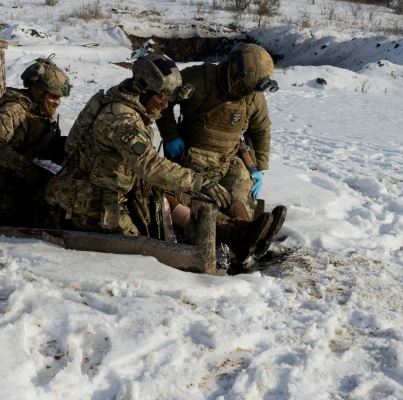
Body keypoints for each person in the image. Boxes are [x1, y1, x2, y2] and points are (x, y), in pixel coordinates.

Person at [45, 53, 275, 267]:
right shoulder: (122, 118)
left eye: (169, 99)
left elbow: (72, 145)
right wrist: (200, 182)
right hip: (91, 202)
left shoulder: (120, 99)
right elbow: (150, 165)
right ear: (143, 89)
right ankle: (234, 234)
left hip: (107, 186)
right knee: (148, 255)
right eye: (162, 97)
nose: (165, 105)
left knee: (168, 200)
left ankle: (235, 232)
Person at [155, 43, 286, 255]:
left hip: (229, 158)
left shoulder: (254, 96)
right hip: (190, 157)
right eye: (245, 86)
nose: (247, 93)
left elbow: (261, 129)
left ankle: (248, 230)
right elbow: (162, 99)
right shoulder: (198, 77)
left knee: (238, 193)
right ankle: (236, 232)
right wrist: (171, 136)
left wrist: (259, 167)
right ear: (234, 72)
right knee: (197, 202)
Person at [0, 56, 71, 227]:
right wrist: (24, 167)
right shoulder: (14, 110)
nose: (57, 102)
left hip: (32, 190)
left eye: (59, 97)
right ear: (37, 90)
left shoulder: (39, 112)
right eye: (53, 96)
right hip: (7, 194)